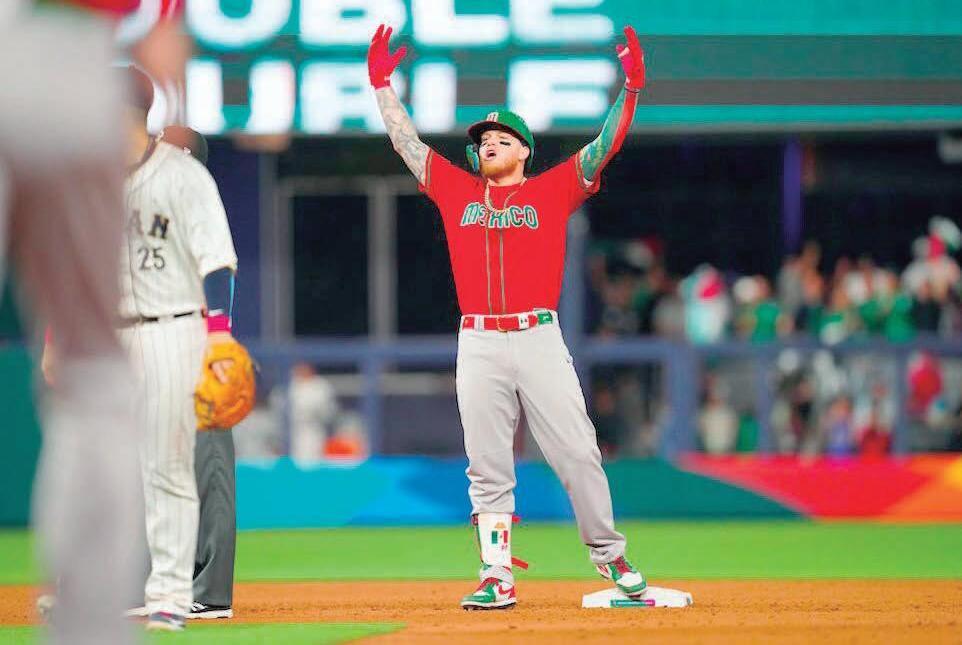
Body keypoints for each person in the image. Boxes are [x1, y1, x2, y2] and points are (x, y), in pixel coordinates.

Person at [368, 23, 648, 610]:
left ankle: (610, 556)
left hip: (538, 336)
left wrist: (631, 89)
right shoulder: (456, 191)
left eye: (503, 137)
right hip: (478, 342)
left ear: (524, 151)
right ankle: (496, 574)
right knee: (487, 466)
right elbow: (406, 143)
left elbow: (606, 144)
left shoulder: (554, 189)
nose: (490, 142)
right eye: (484, 139)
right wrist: (382, 87)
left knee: (577, 452)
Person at [2, 1, 183, 643]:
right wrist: (165, 45)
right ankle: (91, 629)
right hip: (66, 64)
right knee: (95, 375)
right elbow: (161, 36)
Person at [115, 67, 239, 631]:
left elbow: (218, 269)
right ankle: (154, 584)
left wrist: (219, 340)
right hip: (132, 336)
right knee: (142, 469)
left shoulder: (187, 186)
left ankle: (205, 591)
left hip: (187, 339)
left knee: (201, 469)